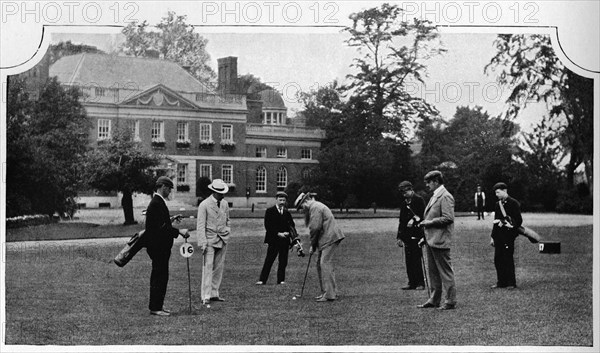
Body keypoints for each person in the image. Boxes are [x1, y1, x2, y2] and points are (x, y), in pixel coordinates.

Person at [145, 176, 190, 316]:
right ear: (163, 186)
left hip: (160, 247)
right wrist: (179, 232)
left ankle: (158, 305)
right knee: (159, 276)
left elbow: (161, 223)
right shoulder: (156, 203)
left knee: (161, 276)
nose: (170, 191)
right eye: (169, 188)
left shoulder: (158, 202)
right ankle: (155, 307)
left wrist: (171, 219)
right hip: (158, 247)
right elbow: (161, 228)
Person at [294, 192, 345, 302]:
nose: (302, 210)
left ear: (306, 202)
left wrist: (313, 245)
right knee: (319, 263)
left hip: (330, 238)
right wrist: (315, 245)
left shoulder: (315, 207)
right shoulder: (315, 206)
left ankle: (330, 294)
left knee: (324, 263)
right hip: (327, 238)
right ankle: (328, 291)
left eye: (302, 207)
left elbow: (315, 228)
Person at [417, 170, 457, 310]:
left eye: (428, 182)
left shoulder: (445, 196)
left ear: (435, 181)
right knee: (433, 272)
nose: (427, 185)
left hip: (440, 240)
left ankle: (450, 301)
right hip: (431, 240)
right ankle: (434, 299)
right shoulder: (435, 196)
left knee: (445, 272)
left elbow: (448, 218)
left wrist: (428, 223)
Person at [197, 179, 230, 305]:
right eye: (220, 192)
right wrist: (203, 243)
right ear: (214, 192)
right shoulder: (204, 205)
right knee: (208, 267)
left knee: (218, 268)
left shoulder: (225, 204)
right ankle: (205, 295)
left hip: (222, 238)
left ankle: (214, 293)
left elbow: (228, 220)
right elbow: (200, 225)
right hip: (209, 240)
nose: (222, 195)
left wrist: (227, 231)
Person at [256, 191, 296, 285]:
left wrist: (288, 233)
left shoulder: (287, 213)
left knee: (283, 261)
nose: (282, 202)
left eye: (284, 200)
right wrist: (278, 233)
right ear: (276, 200)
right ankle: (262, 280)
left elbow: (291, 226)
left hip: (284, 241)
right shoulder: (270, 211)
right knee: (269, 260)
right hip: (274, 240)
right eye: (280, 200)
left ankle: (281, 280)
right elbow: (268, 226)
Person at [490, 182, 522, 289]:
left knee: (508, 258)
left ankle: (511, 282)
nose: (497, 195)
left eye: (498, 192)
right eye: (496, 193)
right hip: (499, 235)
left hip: (508, 235)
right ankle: (501, 282)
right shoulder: (497, 204)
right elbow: (495, 222)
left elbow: (519, 220)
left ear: (505, 191)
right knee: (498, 259)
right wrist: (492, 237)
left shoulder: (514, 203)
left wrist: (511, 225)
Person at [396, 181, 426, 290]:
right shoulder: (404, 203)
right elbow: (401, 221)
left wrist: (414, 219)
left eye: (405, 192)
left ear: (410, 189)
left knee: (417, 258)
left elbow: (423, 215)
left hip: (417, 234)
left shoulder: (419, 200)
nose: (403, 194)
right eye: (402, 192)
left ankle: (420, 282)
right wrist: (399, 237)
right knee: (408, 259)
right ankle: (411, 282)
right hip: (407, 235)